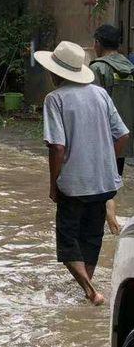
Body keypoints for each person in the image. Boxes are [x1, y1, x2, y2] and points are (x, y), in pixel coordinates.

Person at [36, 40, 129, 306]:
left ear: (56, 73)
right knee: (91, 237)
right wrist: (106, 162)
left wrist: (54, 185)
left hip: (74, 184)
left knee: (67, 243)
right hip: (103, 183)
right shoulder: (99, 94)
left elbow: (57, 147)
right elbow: (122, 134)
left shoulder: (55, 99)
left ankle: (90, 290)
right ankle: (85, 291)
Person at [90, 22, 134, 234]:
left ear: (97, 43)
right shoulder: (131, 69)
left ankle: (105, 225)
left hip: (100, 141)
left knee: (97, 188)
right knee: (112, 181)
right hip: (124, 141)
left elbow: (91, 107)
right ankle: (113, 226)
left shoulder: (98, 68)